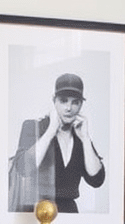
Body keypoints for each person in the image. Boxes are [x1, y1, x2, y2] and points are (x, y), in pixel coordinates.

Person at [8, 73, 105, 213]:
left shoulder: (80, 136)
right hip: (35, 213)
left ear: (81, 104)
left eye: (75, 102)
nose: (69, 108)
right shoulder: (33, 127)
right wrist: (51, 131)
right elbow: (24, 168)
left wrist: (85, 138)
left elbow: (96, 180)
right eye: (63, 100)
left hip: (68, 214)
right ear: (54, 101)